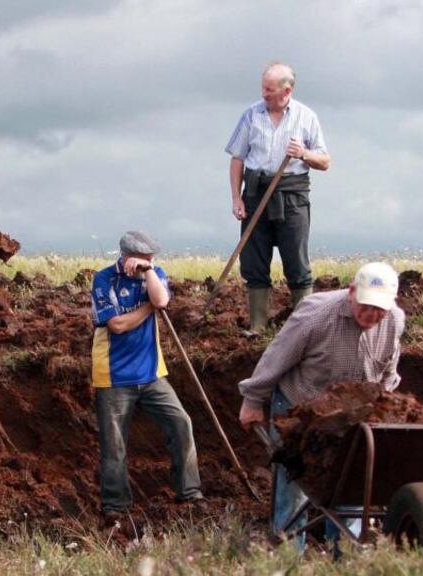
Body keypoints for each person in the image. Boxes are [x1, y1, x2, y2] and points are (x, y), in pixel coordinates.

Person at [238, 262, 405, 550]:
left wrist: (381, 407)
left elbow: (388, 372)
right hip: (301, 409)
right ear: (352, 292)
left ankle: (345, 561)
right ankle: (288, 562)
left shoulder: (394, 320)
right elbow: (276, 357)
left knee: (351, 490)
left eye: (380, 309)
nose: (372, 314)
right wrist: (253, 400)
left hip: (352, 418)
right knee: (295, 491)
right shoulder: (316, 314)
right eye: (366, 305)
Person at [91, 231, 204, 526]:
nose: (151, 262)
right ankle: (115, 505)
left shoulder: (154, 274)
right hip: (113, 375)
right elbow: (117, 324)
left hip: (152, 373)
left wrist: (150, 273)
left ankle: (189, 492)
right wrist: (149, 308)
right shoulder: (104, 279)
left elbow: (162, 300)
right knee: (114, 444)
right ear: (127, 256)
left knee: (181, 423)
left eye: (153, 258)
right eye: (146, 258)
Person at [225, 62, 331, 333]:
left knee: (296, 261)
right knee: (253, 259)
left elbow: (325, 161)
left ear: (287, 90)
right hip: (256, 193)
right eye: (263, 88)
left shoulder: (306, 117)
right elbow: (238, 158)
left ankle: (302, 329)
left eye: (269, 90)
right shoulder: (251, 115)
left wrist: (304, 154)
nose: (264, 94)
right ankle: (258, 326)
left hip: (292, 195)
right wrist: (237, 198)